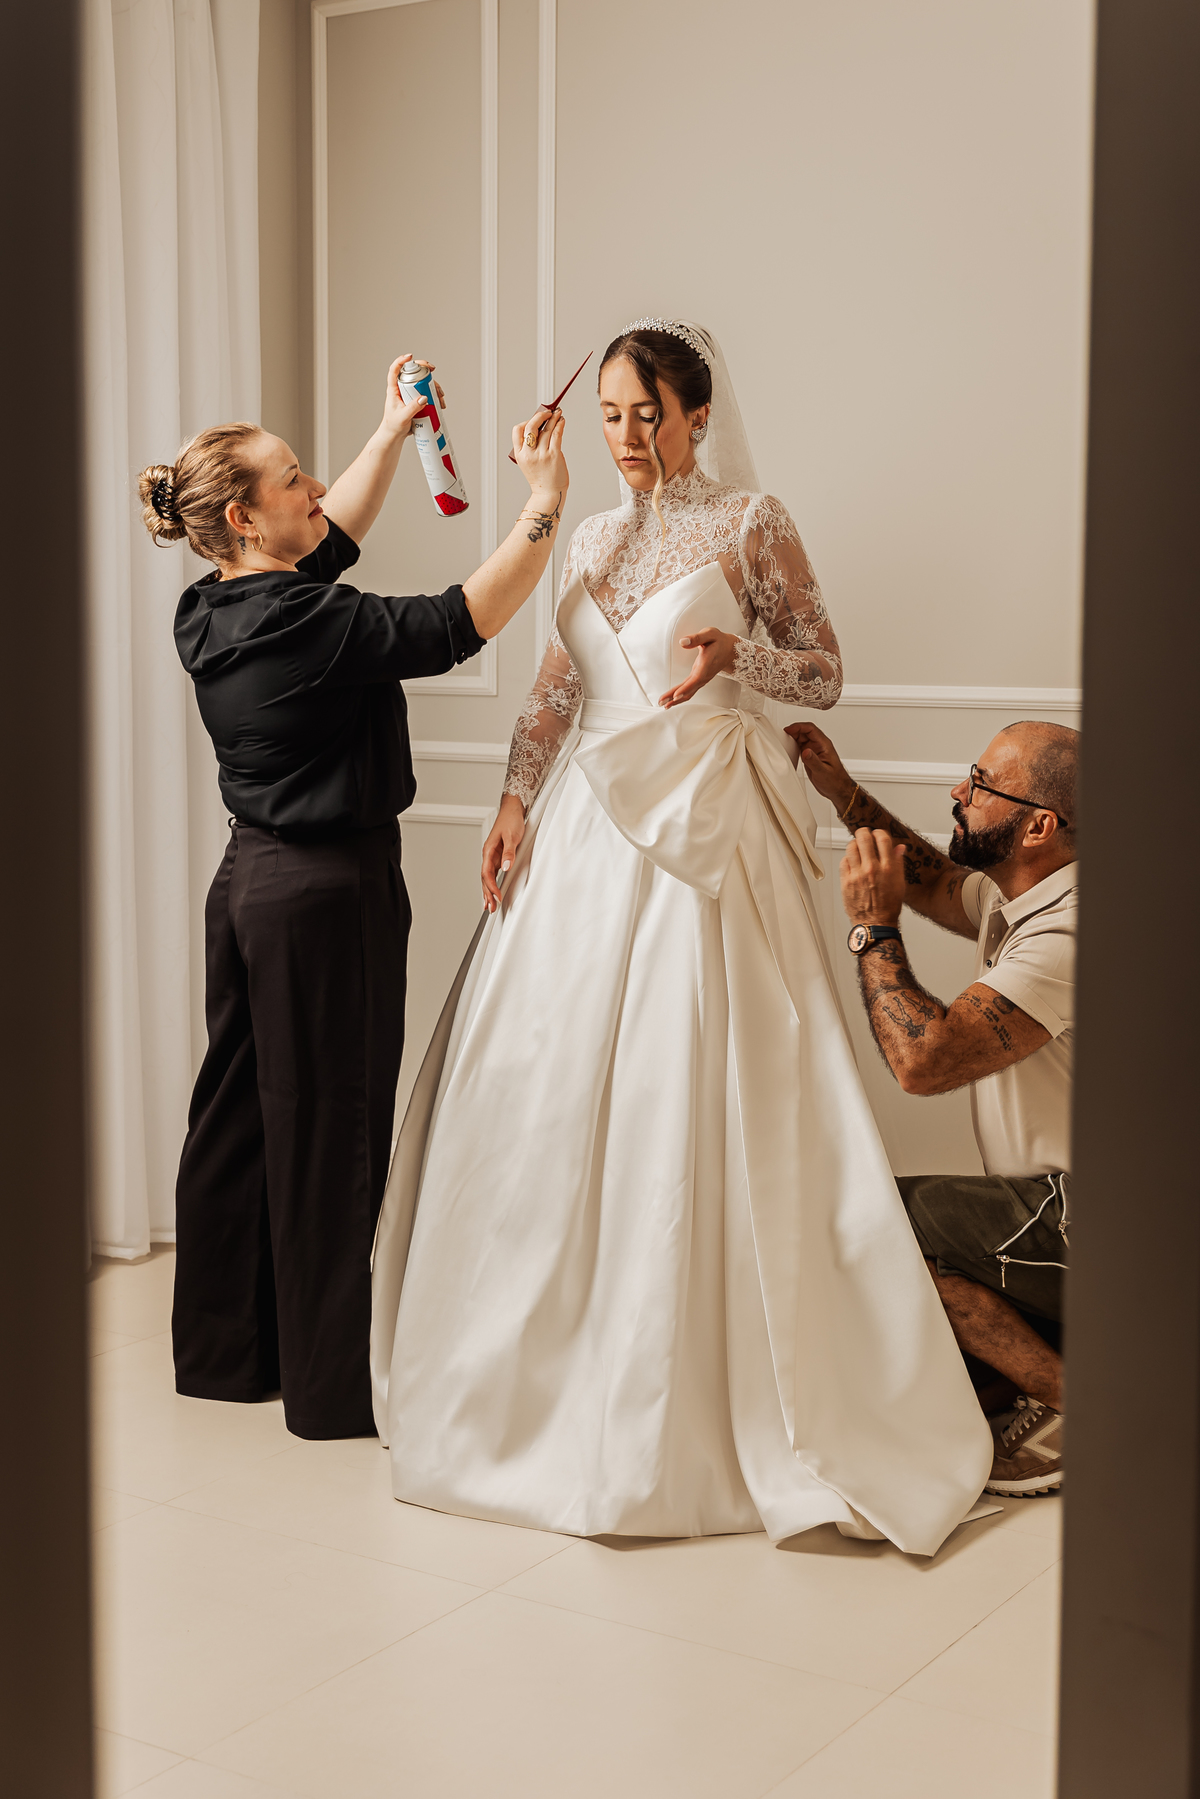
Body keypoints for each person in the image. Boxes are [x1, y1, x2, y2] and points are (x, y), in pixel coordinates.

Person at [370, 320, 992, 1555]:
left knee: (691, 1078)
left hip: (706, 823)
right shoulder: (588, 536)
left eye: (649, 413)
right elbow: (558, 685)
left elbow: (822, 670)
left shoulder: (753, 521)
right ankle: (528, 1377)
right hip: (584, 831)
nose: (629, 436)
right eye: (610, 414)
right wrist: (513, 798)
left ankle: (704, 1384)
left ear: (699, 415)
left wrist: (737, 654)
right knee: (545, 1086)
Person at [139, 353, 568, 1441]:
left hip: (249, 884)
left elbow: (331, 534)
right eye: (293, 478)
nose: (315, 488)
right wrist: (544, 505)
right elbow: (459, 621)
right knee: (331, 1128)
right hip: (326, 894)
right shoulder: (307, 624)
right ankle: (331, 1388)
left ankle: (228, 1354)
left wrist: (392, 430)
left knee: (239, 1114)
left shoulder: (212, 607)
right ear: (245, 516)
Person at [789, 718, 1078, 1497]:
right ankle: (1036, 1372)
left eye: (981, 785)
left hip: (1083, 1217)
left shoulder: (1067, 935)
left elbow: (924, 1061)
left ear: (1038, 827)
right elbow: (940, 883)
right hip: (1059, 1203)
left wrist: (871, 927)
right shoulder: (1030, 887)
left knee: (880, 1220)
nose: (959, 791)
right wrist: (845, 794)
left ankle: (1077, 1405)